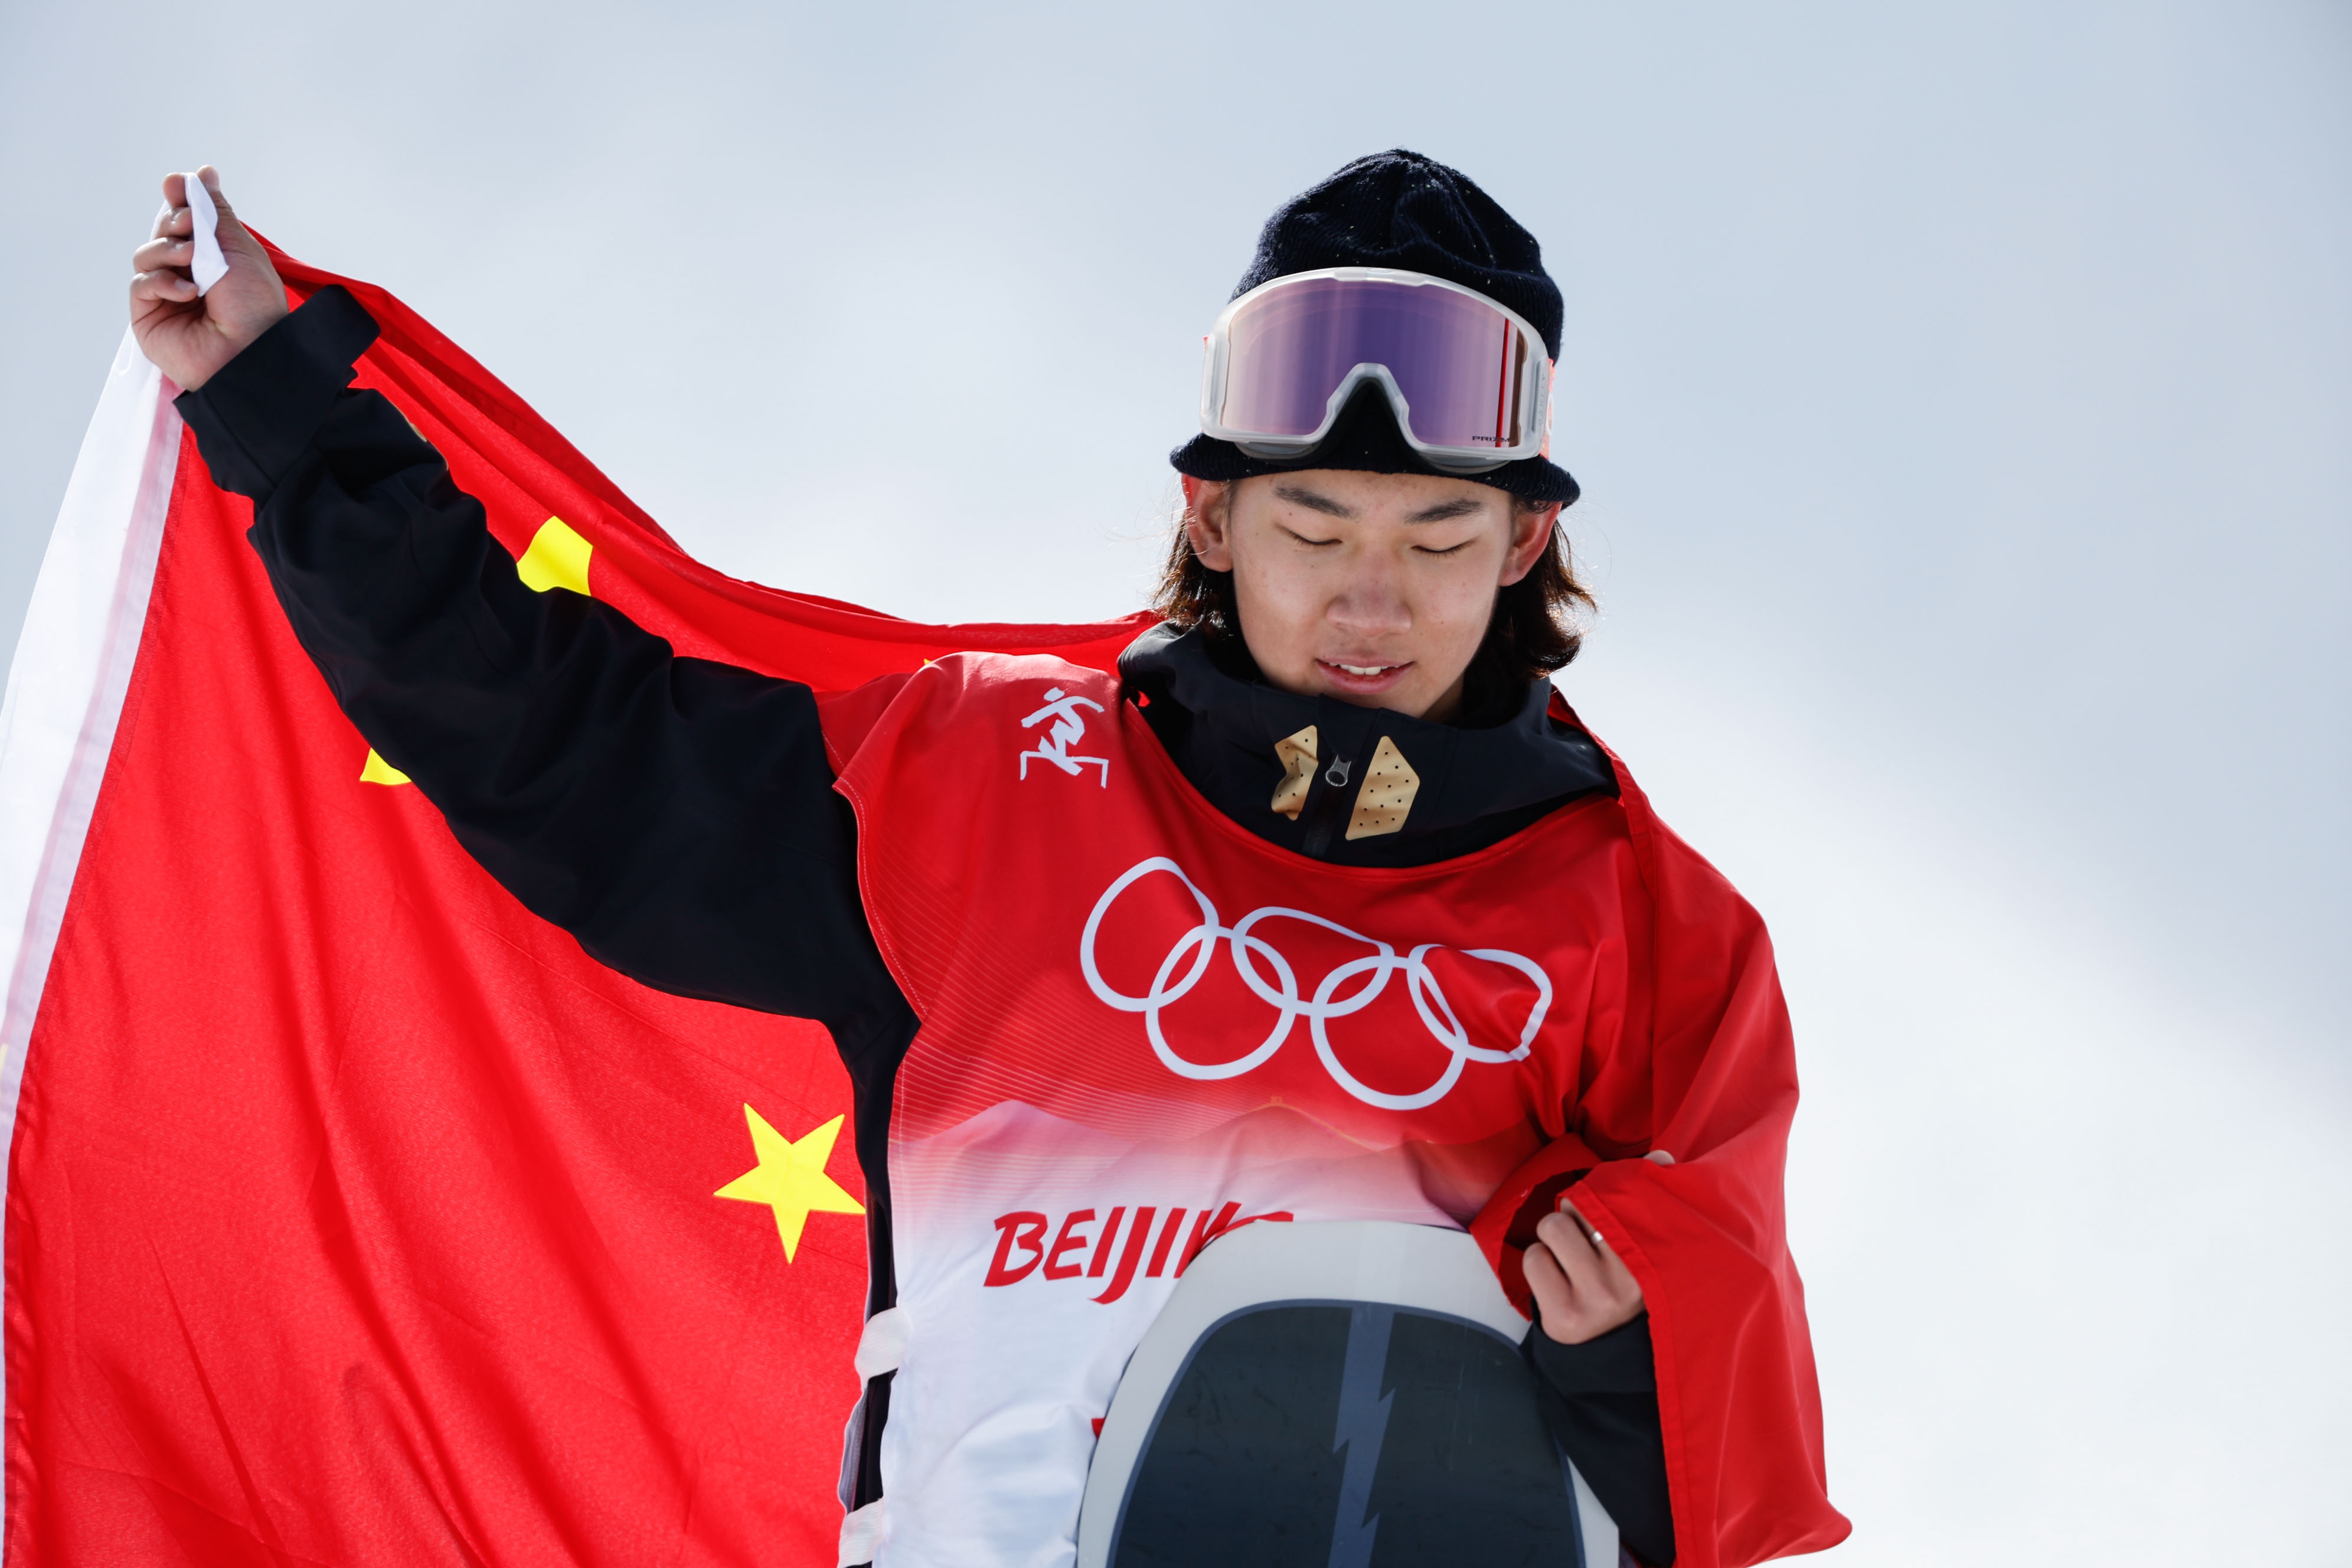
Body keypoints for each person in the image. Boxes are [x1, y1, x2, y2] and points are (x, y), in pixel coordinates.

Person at [129, 151, 1843, 1567]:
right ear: (1214, 517)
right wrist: (284, 411)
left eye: (1439, 536)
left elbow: (1726, 1431)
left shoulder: (1638, 926)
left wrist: (1625, 1353)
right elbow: (557, 739)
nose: (1370, 601)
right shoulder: (982, 790)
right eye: (1314, 526)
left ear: (1529, 536)